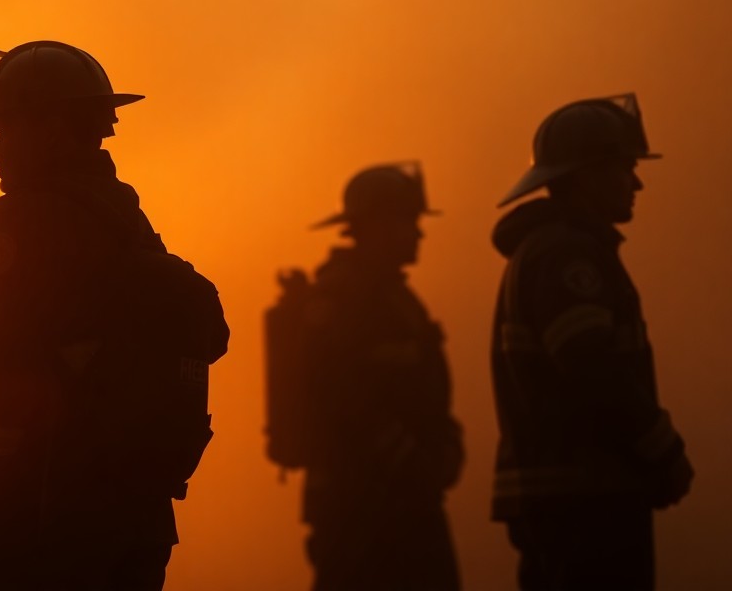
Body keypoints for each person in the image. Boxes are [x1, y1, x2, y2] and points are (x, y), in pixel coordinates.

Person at [0, 41, 229, 590]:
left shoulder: (21, 228)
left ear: (54, 127)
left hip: (44, 523)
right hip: (137, 524)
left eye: (7, 128)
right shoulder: (124, 219)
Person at [491, 93, 693, 591]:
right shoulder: (567, 257)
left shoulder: (551, 250)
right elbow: (593, 371)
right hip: (586, 504)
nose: (637, 182)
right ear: (587, 175)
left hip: (569, 503)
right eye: (625, 167)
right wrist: (662, 449)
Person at [265, 163, 462, 591]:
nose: (418, 234)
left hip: (404, 498)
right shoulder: (341, 301)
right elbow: (338, 393)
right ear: (369, 227)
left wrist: (445, 444)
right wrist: (409, 457)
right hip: (357, 505)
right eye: (405, 222)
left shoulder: (397, 299)